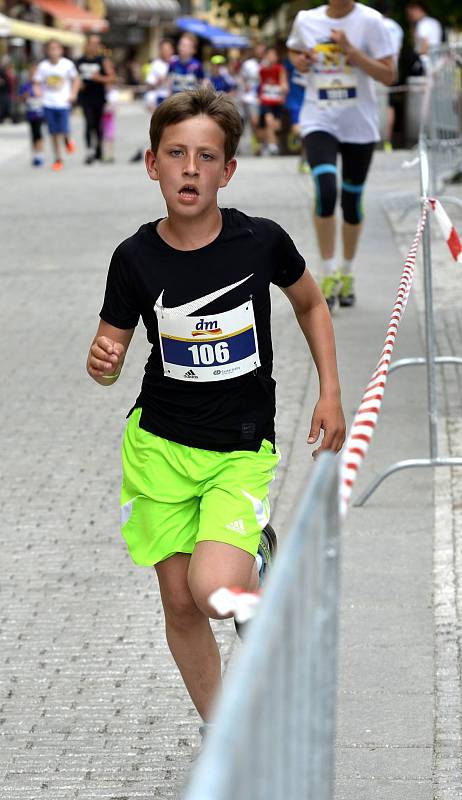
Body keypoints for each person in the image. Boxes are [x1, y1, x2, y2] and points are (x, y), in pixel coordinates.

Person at [86, 86, 345, 733]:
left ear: (228, 170)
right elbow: (112, 350)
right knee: (179, 603)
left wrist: (330, 390)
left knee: (212, 590)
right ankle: (224, 730)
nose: (191, 168)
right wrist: (103, 361)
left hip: (238, 447)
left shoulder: (260, 243)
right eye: (176, 153)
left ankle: (256, 548)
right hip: (158, 448)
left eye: (206, 155)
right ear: (153, 164)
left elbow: (310, 304)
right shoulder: (134, 258)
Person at [287, 0, 394, 310]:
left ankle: (347, 271)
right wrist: (300, 61)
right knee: (325, 191)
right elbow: (294, 51)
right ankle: (328, 270)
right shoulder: (306, 20)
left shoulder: (371, 22)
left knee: (350, 202)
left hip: (359, 124)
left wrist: (351, 51)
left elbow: (389, 74)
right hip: (319, 117)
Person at [34, 39, 80, 172]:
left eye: (56, 49)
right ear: (47, 51)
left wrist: (73, 93)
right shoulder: (43, 66)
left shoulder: (67, 64)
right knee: (54, 133)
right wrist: (38, 93)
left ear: (61, 50)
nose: (53, 52)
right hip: (48, 102)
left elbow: (76, 79)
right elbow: (36, 82)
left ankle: (67, 140)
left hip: (63, 102)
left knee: (64, 129)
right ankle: (58, 158)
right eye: (51, 49)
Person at [76, 35, 115, 165]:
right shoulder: (80, 61)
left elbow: (111, 77)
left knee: (98, 125)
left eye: (96, 44)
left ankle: (99, 150)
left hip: (99, 96)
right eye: (91, 43)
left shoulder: (102, 60)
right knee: (88, 122)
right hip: (85, 96)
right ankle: (89, 151)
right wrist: (77, 85)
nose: (93, 47)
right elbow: (74, 78)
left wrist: (100, 79)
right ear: (86, 45)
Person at [375, 1, 403, 151]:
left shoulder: (373, 23)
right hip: (392, 68)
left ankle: (374, 138)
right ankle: (387, 139)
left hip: (374, 68)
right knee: (389, 104)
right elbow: (397, 49)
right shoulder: (396, 27)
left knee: (374, 102)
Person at [258, 46, 288, 156]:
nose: (271, 57)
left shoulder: (280, 68)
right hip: (266, 101)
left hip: (277, 101)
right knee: (269, 121)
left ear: (276, 57)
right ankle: (272, 146)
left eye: (273, 55)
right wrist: (259, 95)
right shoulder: (262, 70)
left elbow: (284, 82)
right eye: (269, 55)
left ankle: (271, 143)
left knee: (276, 126)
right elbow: (260, 84)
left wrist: (283, 91)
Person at [18, 64, 45, 167]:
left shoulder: (42, 85)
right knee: (33, 134)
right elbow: (20, 98)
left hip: (40, 113)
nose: (33, 75)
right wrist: (24, 96)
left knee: (38, 133)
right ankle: (35, 154)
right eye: (32, 73)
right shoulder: (25, 85)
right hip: (30, 113)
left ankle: (40, 154)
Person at [406, 2, 442, 71]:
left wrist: (417, 58)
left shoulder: (422, 24)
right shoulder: (434, 22)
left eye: (410, 14)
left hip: (424, 61)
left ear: (418, 10)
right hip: (436, 59)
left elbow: (425, 43)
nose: (409, 17)